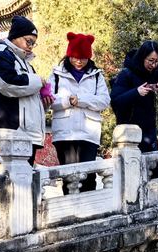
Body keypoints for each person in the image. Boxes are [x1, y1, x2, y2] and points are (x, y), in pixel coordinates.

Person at [48, 32, 110, 194]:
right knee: (69, 176)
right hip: (64, 133)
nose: (78, 61)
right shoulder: (57, 74)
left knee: (88, 176)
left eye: (83, 58)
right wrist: (67, 101)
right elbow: (48, 100)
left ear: (89, 57)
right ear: (69, 54)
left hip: (88, 133)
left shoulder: (96, 76)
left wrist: (81, 99)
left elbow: (104, 100)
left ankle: (89, 213)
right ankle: (70, 212)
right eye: (75, 57)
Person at [110, 40, 158, 178]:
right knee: (132, 179)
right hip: (129, 136)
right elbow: (115, 101)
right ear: (142, 57)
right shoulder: (126, 74)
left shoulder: (156, 72)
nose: (153, 65)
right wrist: (136, 92)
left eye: (156, 61)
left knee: (154, 178)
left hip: (150, 133)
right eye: (150, 61)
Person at [0, 15, 47, 166]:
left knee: (25, 180)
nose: (31, 46)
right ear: (15, 37)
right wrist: (38, 80)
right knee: (15, 182)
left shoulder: (26, 63)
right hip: (12, 129)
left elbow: (28, 94)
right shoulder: (1, 56)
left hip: (27, 131)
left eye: (33, 43)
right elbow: (8, 83)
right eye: (28, 41)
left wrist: (44, 101)